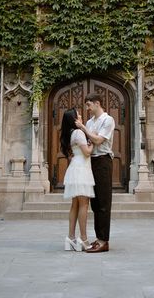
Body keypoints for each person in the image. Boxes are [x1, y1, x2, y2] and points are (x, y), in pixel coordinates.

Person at [75, 92, 115, 253]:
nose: (87, 108)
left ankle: (104, 241)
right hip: (90, 161)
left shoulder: (108, 120)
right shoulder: (91, 122)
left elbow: (98, 140)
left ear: (97, 103)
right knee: (95, 203)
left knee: (104, 202)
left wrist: (83, 128)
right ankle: (99, 238)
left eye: (89, 105)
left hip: (104, 161)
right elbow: (89, 141)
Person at [60, 107, 95, 252]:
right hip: (81, 170)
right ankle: (84, 239)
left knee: (75, 204)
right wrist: (92, 142)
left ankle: (71, 238)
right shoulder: (79, 132)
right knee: (84, 205)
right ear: (74, 119)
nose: (81, 115)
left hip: (75, 168)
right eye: (78, 114)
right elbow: (87, 153)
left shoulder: (70, 134)